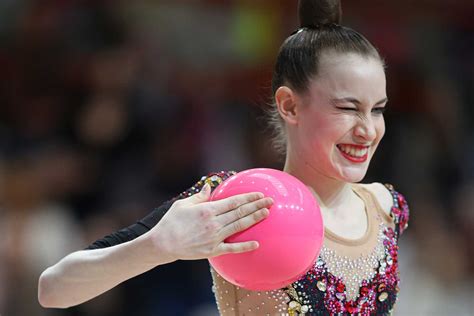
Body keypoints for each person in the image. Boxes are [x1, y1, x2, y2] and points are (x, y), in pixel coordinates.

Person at [38, 0, 410, 314]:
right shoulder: (235, 202)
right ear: (290, 105)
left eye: (377, 110)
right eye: (347, 108)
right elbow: (53, 288)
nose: (367, 129)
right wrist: (154, 247)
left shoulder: (387, 206)